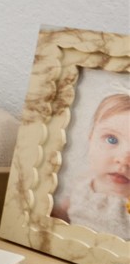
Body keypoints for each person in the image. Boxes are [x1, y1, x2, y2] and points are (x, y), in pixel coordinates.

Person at [54, 89, 130, 235]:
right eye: (112, 139)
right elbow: (64, 213)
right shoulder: (81, 185)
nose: (124, 160)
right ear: (90, 140)